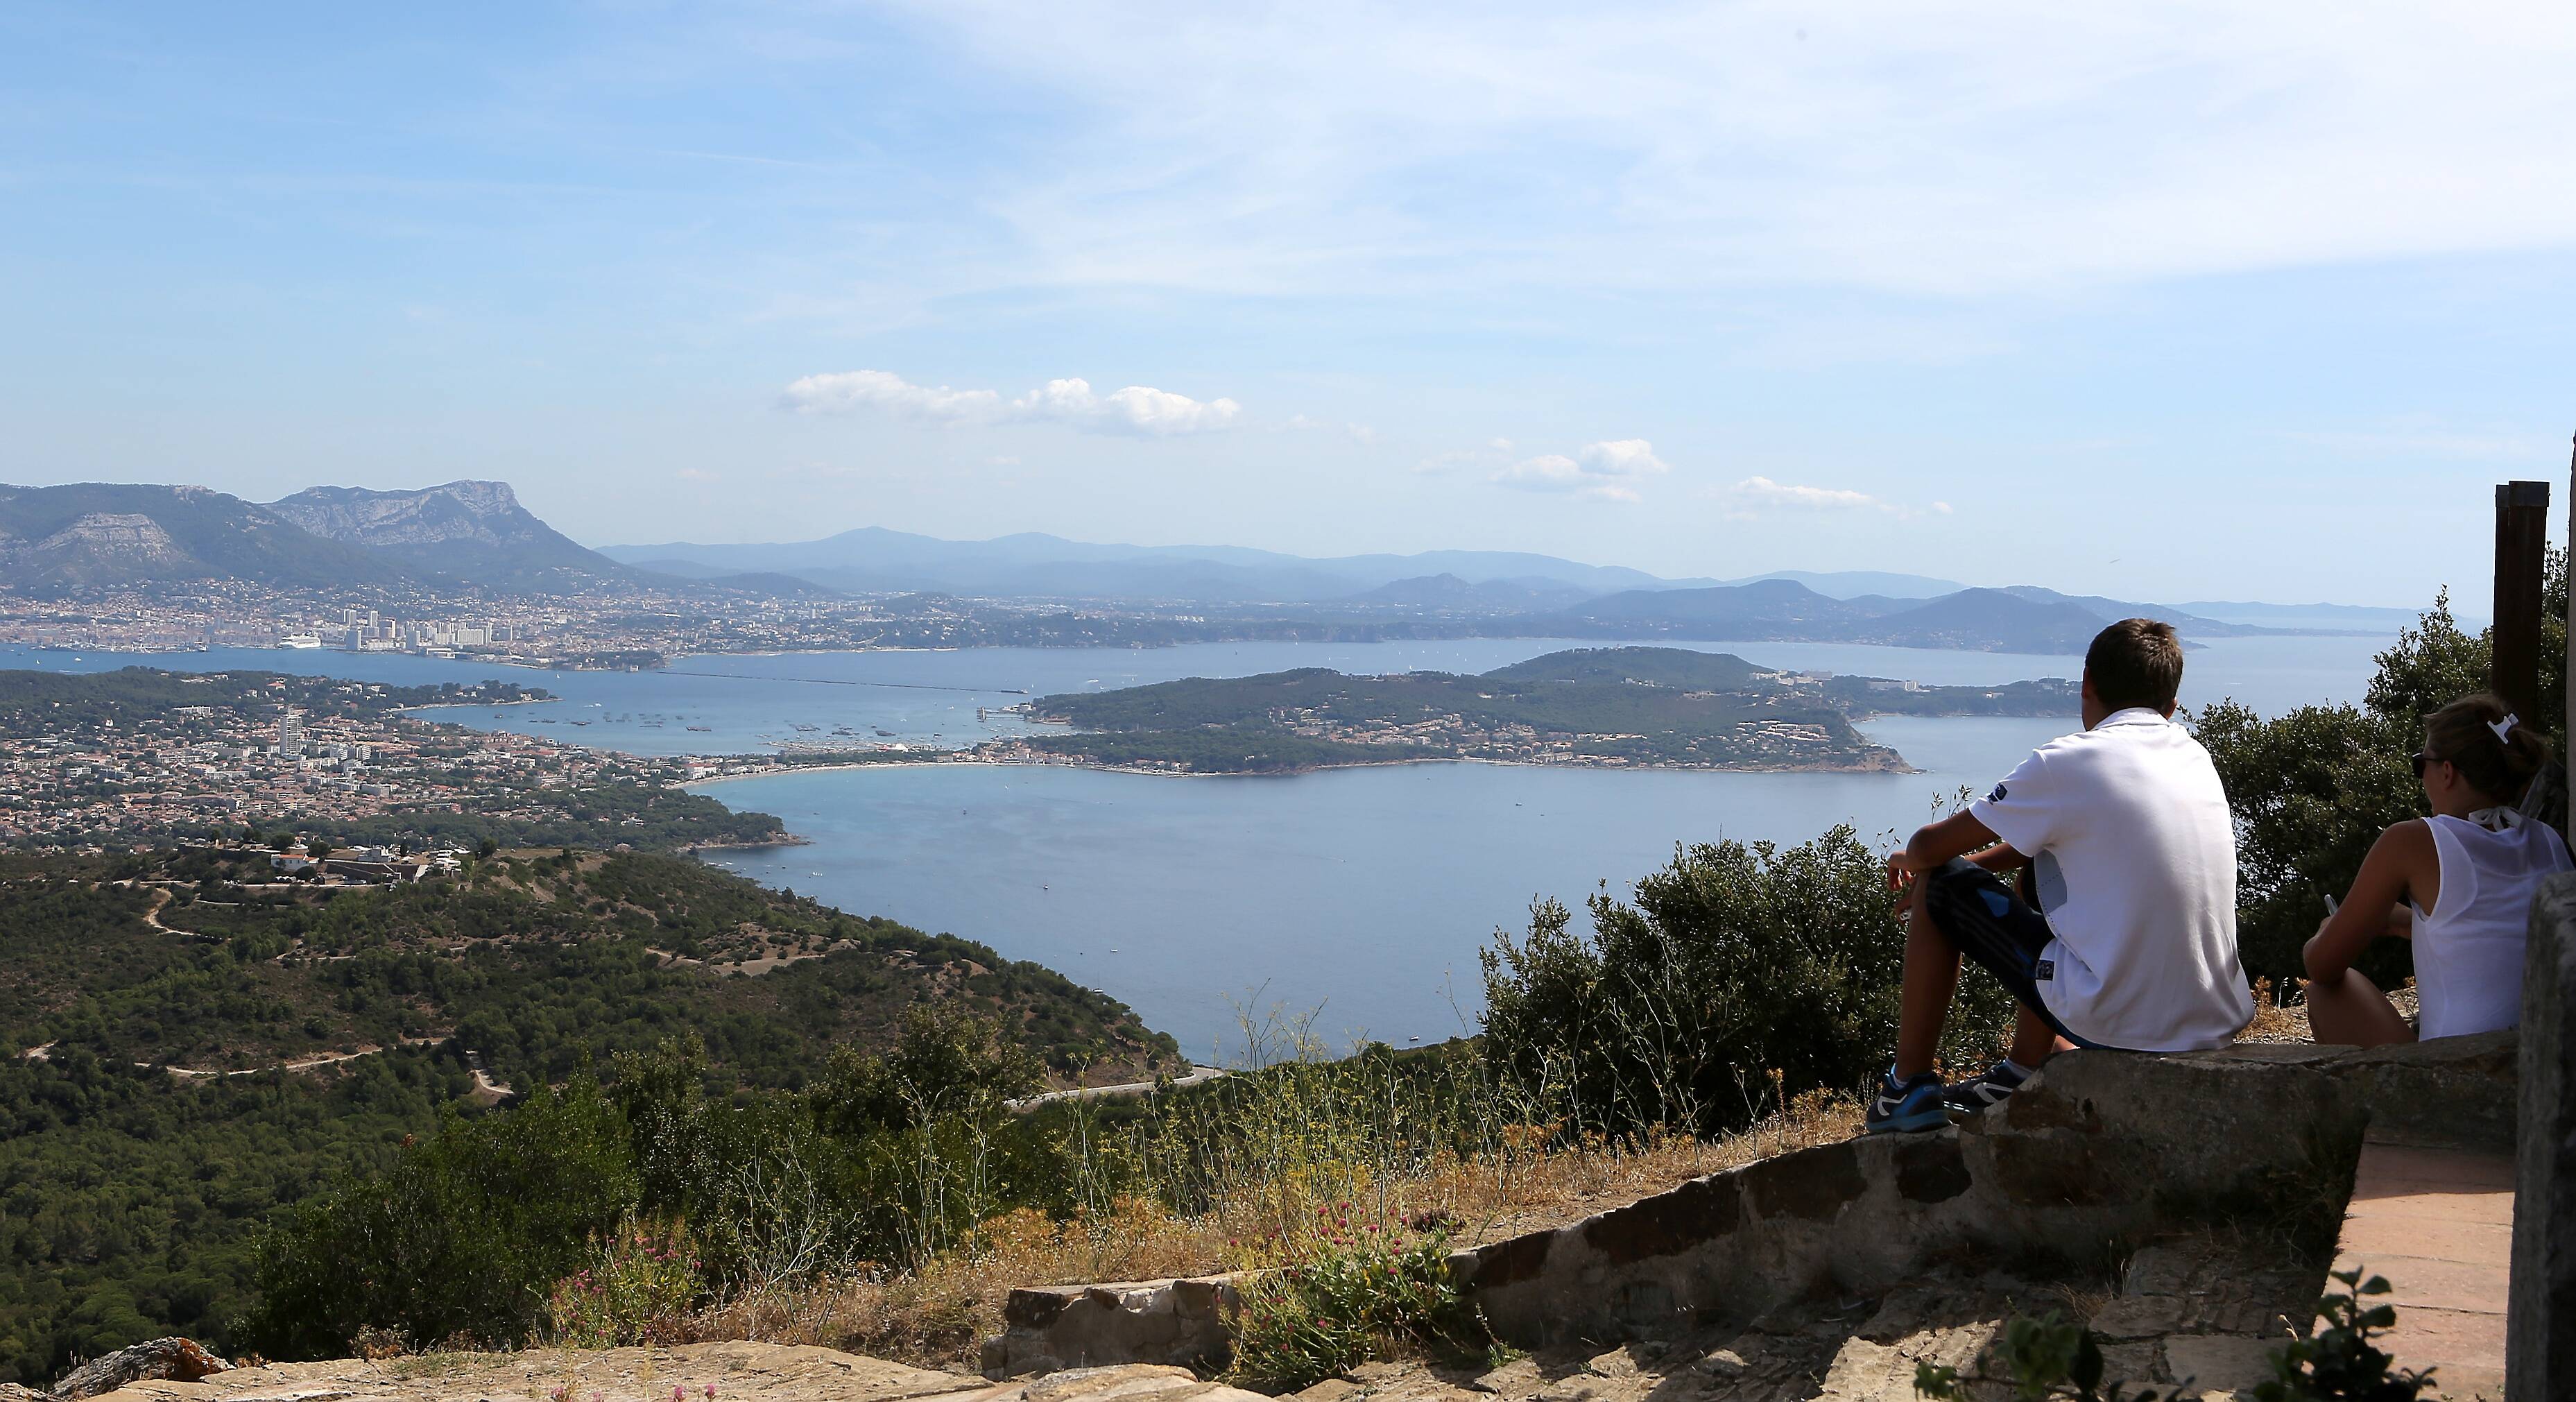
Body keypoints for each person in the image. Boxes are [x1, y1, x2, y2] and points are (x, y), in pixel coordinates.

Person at [1867, 617, 2254, 1134]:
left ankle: (1906, 1087)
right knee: (2035, 874)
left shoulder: (2068, 761)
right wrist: (1971, 867)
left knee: (1941, 887)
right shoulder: (2193, 755)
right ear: (2171, 706)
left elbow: (1928, 847)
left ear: (2087, 685)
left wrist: (1920, 868)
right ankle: (2022, 1070)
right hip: (2212, 1016)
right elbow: (2042, 842)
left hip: (2123, 1020)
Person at [2303, 692, 2568, 1046]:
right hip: (2548, 1062)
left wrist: (2326, 932)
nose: (2420, 777)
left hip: (2459, 1076)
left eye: (2420, 764)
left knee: (2325, 994)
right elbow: (2499, 932)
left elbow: (2322, 965)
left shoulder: (2414, 842)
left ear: (2447, 772)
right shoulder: (2552, 843)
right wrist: (2401, 923)